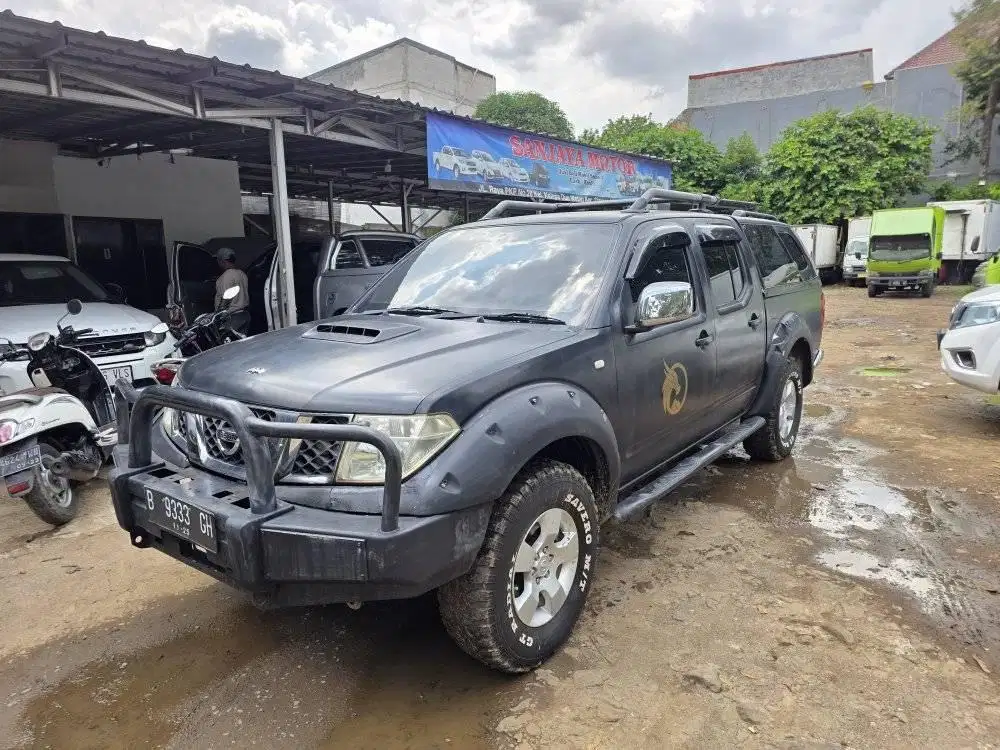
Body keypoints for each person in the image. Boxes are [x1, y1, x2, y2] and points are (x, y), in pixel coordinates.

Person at [214, 247, 250, 334]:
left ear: (223, 261)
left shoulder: (226, 276)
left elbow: (225, 299)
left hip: (232, 318)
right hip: (244, 315)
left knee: (229, 345)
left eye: (218, 260)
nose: (217, 263)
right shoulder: (242, 274)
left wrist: (218, 317)